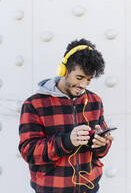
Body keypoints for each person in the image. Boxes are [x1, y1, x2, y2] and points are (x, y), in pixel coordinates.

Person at [18, 38, 114, 193]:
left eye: (88, 80)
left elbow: (101, 152)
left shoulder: (95, 101)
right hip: (52, 189)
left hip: (89, 188)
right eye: (79, 77)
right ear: (64, 70)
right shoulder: (34, 104)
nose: (83, 85)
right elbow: (28, 151)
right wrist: (67, 141)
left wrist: (102, 144)